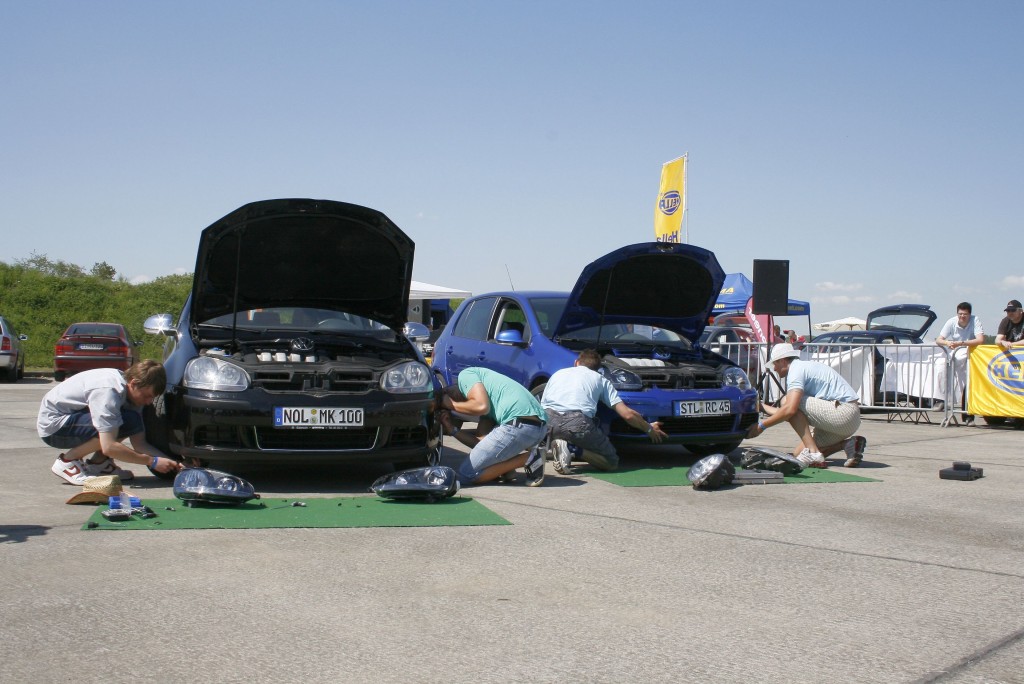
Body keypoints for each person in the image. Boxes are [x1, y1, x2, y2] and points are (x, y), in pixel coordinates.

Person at [38, 360, 183, 485]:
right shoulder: (108, 392)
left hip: (73, 417)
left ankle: (99, 463)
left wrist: (176, 464)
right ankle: (67, 461)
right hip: (54, 427)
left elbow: (140, 443)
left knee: (130, 420)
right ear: (133, 383)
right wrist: (152, 462)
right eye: (147, 396)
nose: (149, 402)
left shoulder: (131, 392)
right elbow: (109, 447)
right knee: (118, 422)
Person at [540, 349, 667, 473]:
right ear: (598, 368)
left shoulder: (557, 374)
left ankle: (560, 447)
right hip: (576, 423)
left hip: (549, 422)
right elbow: (627, 415)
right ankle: (571, 448)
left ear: (576, 362)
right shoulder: (600, 379)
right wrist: (649, 429)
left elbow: (542, 406)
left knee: (563, 428)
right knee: (611, 462)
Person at [745, 343, 866, 468]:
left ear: (782, 360)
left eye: (774, 364)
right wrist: (762, 406)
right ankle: (847, 444)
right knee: (799, 454)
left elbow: (789, 410)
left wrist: (761, 427)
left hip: (843, 413)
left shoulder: (796, 370)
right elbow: (787, 413)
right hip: (850, 419)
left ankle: (814, 453)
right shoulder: (802, 366)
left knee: (786, 401)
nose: (774, 369)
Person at [436, 367, 548, 486]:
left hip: (519, 425)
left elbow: (481, 406)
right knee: (478, 464)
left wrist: (451, 405)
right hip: (538, 428)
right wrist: (452, 430)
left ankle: (529, 459)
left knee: (467, 474)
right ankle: (507, 469)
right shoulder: (489, 394)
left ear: (446, 393)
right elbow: (480, 442)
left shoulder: (466, 375)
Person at [935, 302, 985, 425]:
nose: (962, 316)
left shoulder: (975, 320)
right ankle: (941, 399)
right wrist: (947, 343)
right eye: (960, 314)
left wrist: (961, 343)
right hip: (954, 356)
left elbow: (980, 340)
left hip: (970, 356)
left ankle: (968, 417)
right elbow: (939, 339)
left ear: (970, 314)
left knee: (968, 385)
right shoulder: (951, 321)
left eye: (965, 314)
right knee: (941, 369)